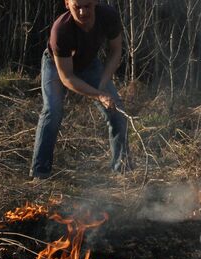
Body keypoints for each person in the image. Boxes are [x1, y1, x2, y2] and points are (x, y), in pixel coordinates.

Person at [30, 0, 132, 180]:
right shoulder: (60, 30)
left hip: (89, 64)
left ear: (96, 2)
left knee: (116, 109)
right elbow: (67, 77)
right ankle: (40, 173)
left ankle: (122, 169)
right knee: (52, 111)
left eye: (88, 6)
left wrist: (102, 85)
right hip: (56, 66)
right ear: (67, 4)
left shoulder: (108, 16)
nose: (83, 12)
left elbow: (116, 51)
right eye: (77, 7)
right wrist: (98, 94)